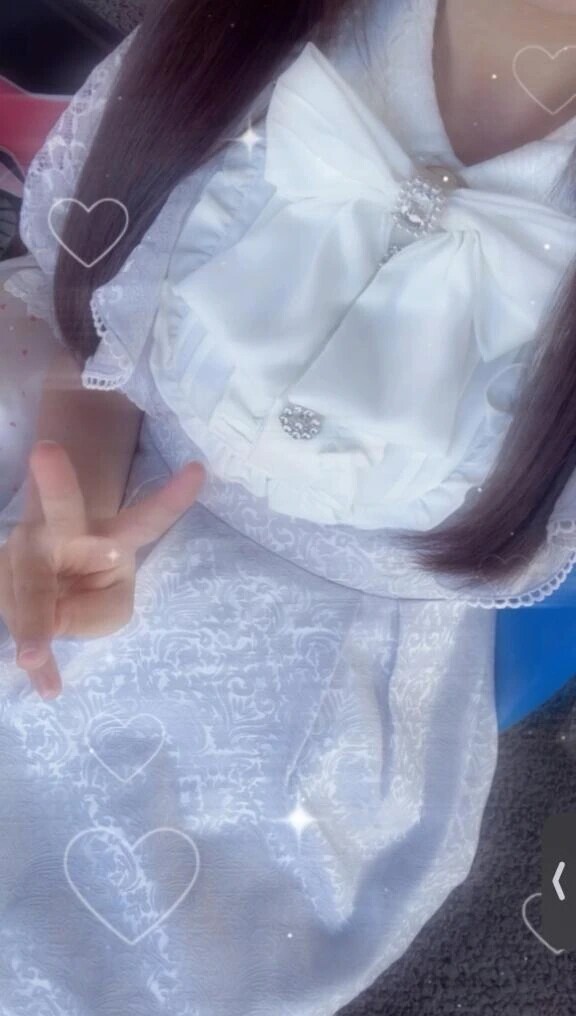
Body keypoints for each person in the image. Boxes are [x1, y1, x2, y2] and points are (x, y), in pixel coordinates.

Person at [0, 0, 576, 1012]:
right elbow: (96, 341)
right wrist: (71, 502)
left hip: (314, 710)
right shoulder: (242, 30)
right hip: (79, 477)